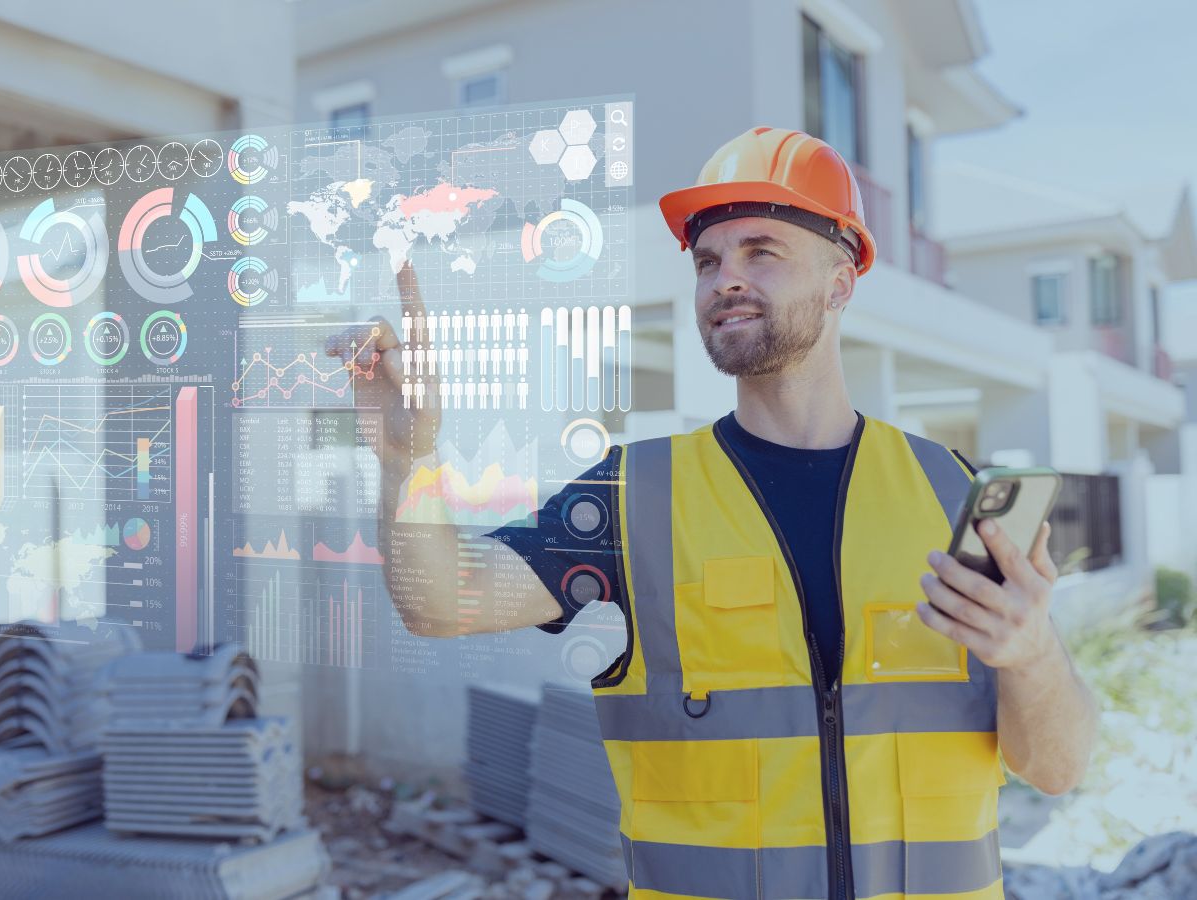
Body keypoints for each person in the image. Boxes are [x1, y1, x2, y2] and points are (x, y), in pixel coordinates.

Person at [327, 127, 1099, 900]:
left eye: (760, 250)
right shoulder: (636, 494)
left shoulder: (950, 492)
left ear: (841, 281)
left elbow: (1057, 768)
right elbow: (440, 600)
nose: (725, 277)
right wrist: (406, 461)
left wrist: (1032, 655)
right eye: (708, 261)